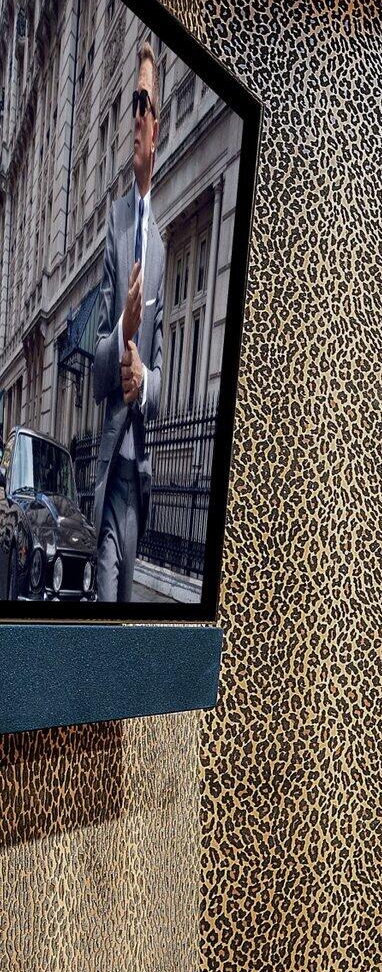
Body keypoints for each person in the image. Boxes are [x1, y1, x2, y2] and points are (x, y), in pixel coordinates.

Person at [90, 44, 163, 602]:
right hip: (113, 450)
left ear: (156, 128)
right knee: (108, 574)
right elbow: (95, 371)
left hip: (139, 459)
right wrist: (122, 333)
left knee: (127, 595)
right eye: (135, 103)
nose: (140, 118)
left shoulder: (160, 245)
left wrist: (144, 379)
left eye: (148, 103)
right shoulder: (114, 226)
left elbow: (158, 370)